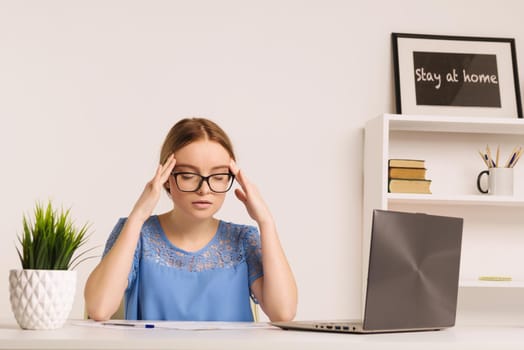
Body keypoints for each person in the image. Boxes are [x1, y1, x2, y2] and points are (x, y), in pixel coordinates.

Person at [84, 117, 297, 322]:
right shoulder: (136, 234)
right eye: (188, 176)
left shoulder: (244, 240)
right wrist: (138, 216)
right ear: (166, 179)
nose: (204, 190)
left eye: (219, 176)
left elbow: (283, 312)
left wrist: (266, 222)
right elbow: (100, 309)